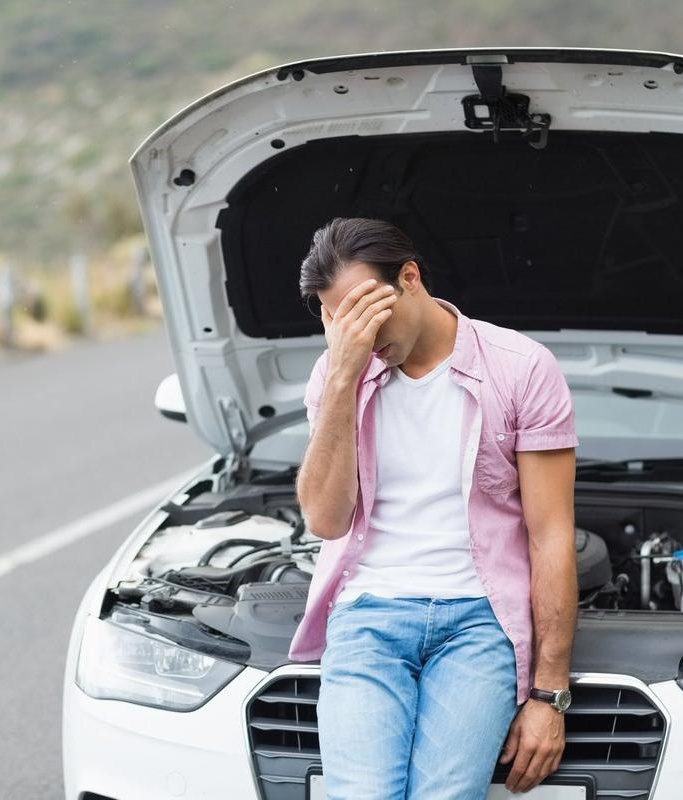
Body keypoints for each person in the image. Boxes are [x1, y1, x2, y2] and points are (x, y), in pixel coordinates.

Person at [289, 217, 579, 799]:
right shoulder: (339, 371)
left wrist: (549, 694)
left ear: (410, 278)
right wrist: (344, 377)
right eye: (340, 321)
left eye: (368, 312)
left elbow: (551, 536)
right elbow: (324, 520)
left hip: (478, 621)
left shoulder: (520, 368)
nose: (361, 337)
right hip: (368, 615)